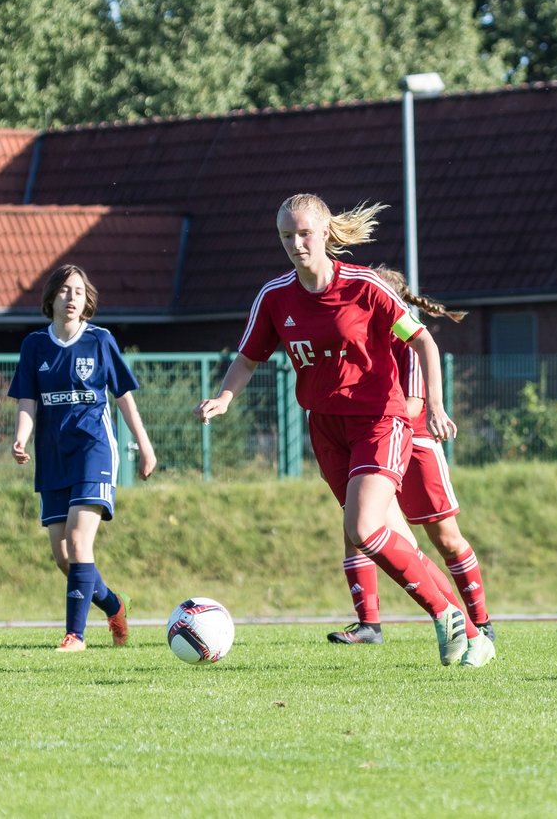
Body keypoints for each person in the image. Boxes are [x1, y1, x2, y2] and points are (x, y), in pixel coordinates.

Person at [193, 193, 495, 667]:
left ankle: (449, 617)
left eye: (304, 233)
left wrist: (435, 405)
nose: (296, 244)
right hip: (326, 427)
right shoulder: (275, 296)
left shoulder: (365, 286)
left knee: (362, 527)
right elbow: (249, 358)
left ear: (327, 232)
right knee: (385, 538)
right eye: (286, 236)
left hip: (379, 419)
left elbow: (423, 341)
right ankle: (472, 632)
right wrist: (224, 398)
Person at [329, 266, 495, 649]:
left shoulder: (408, 341)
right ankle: (369, 624)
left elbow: (414, 402)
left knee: (446, 538)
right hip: (372, 438)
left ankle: (480, 622)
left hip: (414, 441)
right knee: (357, 527)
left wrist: (369, 416)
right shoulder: (358, 336)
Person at [9, 264, 157, 652]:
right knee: (64, 558)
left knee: (78, 543)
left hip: (95, 451)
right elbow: (28, 400)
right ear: (51, 299)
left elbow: (124, 396)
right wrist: (20, 438)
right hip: (54, 456)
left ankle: (75, 636)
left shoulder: (100, 341)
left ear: (86, 298)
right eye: (63, 291)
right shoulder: (34, 346)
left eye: (77, 291)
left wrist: (145, 445)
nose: (71, 298)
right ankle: (113, 604)